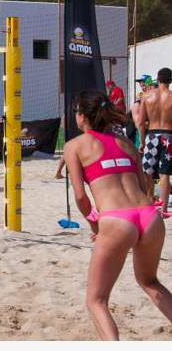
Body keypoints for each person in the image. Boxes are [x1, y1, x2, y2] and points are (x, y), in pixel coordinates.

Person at [63, 90, 172, 340]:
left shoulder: (74, 146)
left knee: (96, 300)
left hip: (117, 220)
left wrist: (95, 225)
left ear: (81, 116)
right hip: (149, 216)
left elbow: (81, 197)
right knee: (150, 282)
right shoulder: (126, 143)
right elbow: (144, 185)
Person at [138, 67, 172, 216]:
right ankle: (163, 209)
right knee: (165, 174)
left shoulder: (146, 96)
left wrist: (142, 142)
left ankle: (148, 203)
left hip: (152, 135)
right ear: (170, 81)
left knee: (148, 172)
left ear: (157, 79)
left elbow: (140, 122)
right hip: (168, 136)